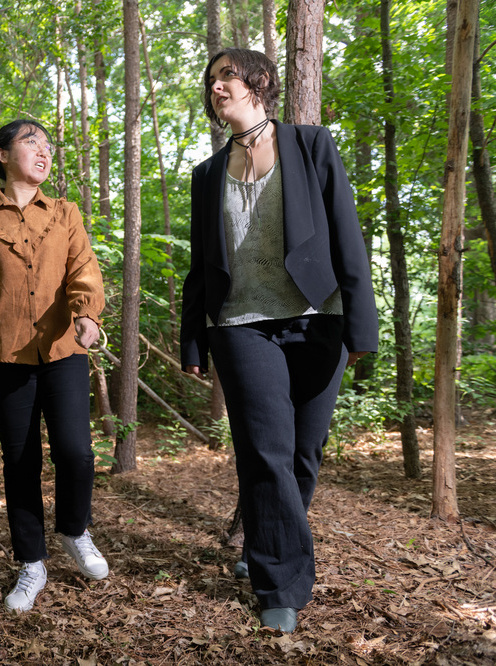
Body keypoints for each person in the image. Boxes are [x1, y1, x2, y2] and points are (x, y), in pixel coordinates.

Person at [180, 49, 378, 633]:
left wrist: (361, 324)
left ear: (259, 83)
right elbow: (202, 264)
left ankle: (264, 541)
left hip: (319, 318)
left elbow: (347, 233)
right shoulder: (207, 174)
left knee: (302, 454)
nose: (217, 87)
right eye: (212, 80)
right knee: (264, 450)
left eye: (227, 77)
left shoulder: (310, 144)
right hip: (240, 324)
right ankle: (279, 586)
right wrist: (194, 340)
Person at [0, 118, 109, 613]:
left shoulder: (64, 212)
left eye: (49, 145)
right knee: (20, 463)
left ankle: (75, 530)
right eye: (31, 142)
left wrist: (86, 314)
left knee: (77, 454)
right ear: (1, 154)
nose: (44, 151)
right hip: (3, 355)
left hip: (62, 351)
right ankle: (31, 562)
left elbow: (83, 267)